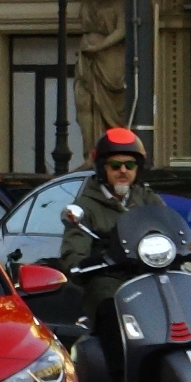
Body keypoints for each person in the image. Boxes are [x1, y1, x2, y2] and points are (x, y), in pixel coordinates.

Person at [60, 126, 154, 319]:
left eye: (129, 165)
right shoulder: (86, 206)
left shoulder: (145, 198)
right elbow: (73, 254)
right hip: (110, 280)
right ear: (103, 168)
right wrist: (90, 262)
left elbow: (170, 223)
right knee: (109, 305)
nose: (123, 171)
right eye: (115, 165)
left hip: (148, 277)